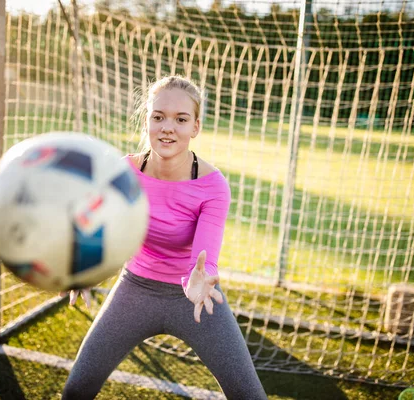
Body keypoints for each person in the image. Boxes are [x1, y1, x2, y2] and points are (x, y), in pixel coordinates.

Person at [61, 75, 268, 399]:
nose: (167, 127)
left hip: (194, 298)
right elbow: (102, 229)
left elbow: (204, 259)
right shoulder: (123, 172)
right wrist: (87, 267)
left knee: (250, 396)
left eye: (180, 119)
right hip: (134, 289)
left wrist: (200, 280)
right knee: (76, 390)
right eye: (158, 117)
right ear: (147, 121)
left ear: (195, 127)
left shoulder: (213, 186)